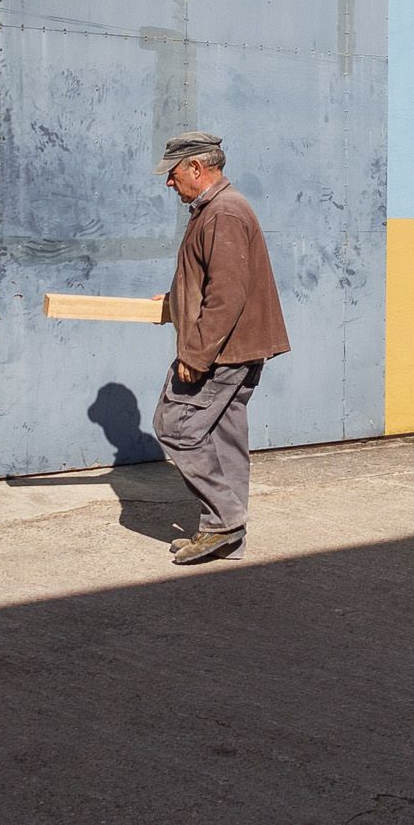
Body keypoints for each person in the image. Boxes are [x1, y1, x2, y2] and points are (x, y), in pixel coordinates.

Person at [152, 130, 288, 566]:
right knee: (225, 436)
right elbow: (215, 281)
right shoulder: (218, 209)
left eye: (172, 174)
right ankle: (228, 535)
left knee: (175, 426)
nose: (169, 183)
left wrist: (195, 355)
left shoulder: (223, 212)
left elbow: (228, 294)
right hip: (238, 348)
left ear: (197, 167)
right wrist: (176, 302)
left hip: (221, 352)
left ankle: (224, 522)